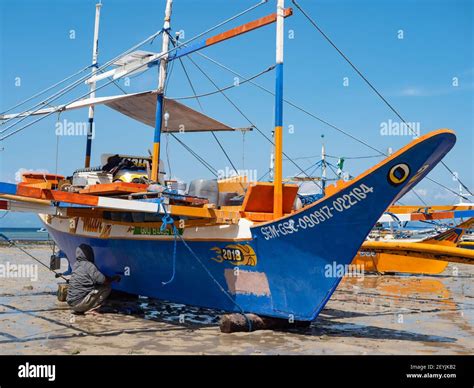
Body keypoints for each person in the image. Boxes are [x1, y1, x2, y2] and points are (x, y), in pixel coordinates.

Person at [66, 244, 120, 314]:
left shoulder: (76, 265)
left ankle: (82, 307)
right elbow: (103, 281)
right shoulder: (89, 265)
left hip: (71, 304)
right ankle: (91, 308)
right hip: (79, 304)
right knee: (107, 287)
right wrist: (113, 279)